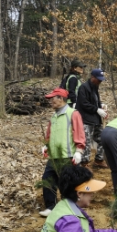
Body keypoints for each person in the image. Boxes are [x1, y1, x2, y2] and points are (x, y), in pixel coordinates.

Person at [39, 87, 86, 218]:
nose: (51, 101)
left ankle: (70, 208)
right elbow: (49, 133)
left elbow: (79, 132)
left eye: (53, 98)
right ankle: (51, 207)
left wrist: (79, 151)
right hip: (54, 157)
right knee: (47, 180)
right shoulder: (53, 117)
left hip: (68, 156)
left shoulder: (73, 114)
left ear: (61, 98)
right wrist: (46, 145)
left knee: (67, 183)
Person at [76, 68, 108, 169]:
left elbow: (96, 100)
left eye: (101, 79)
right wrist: (97, 109)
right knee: (87, 142)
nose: (100, 81)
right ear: (92, 77)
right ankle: (84, 163)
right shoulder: (83, 88)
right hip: (85, 119)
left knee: (103, 138)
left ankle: (99, 159)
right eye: (98, 79)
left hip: (95, 119)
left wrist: (100, 105)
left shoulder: (95, 87)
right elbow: (84, 104)